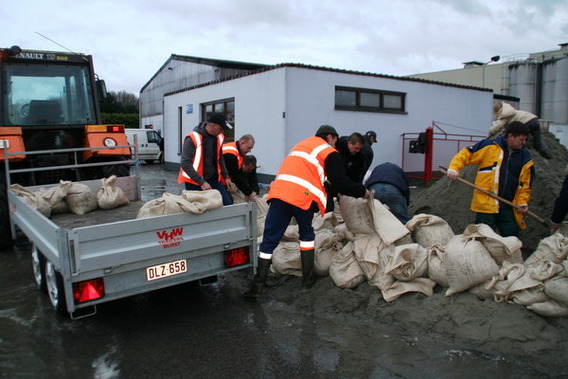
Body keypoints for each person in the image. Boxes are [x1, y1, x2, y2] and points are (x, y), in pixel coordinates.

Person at [250, 125, 370, 294]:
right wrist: (361, 192)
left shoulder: (301, 146)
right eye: (335, 140)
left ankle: (258, 283)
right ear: (330, 137)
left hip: (279, 194)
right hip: (301, 198)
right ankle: (307, 281)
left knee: (269, 239)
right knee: (306, 237)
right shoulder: (328, 151)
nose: (336, 144)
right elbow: (339, 181)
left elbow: (318, 179)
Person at [446, 121, 534, 237]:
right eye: (521, 139)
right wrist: (454, 168)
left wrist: (522, 202)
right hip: (486, 205)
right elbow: (466, 154)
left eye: (525, 140)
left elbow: (525, 185)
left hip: (509, 206)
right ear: (511, 136)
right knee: (483, 239)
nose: (524, 143)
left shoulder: (525, 157)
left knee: (512, 237)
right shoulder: (489, 146)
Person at [178, 112, 234, 205]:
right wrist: (202, 182)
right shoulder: (192, 138)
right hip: (194, 182)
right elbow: (185, 163)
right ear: (213, 126)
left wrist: (226, 176)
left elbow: (220, 158)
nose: (222, 131)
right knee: (199, 210)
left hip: (213, 178)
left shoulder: (219, 137)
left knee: (227, 203)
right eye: (221, 128)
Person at [222, 134, 257, 201]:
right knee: (228, 202)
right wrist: (249, 193)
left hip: (225, 181)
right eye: (249, 147)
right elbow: (236, 176)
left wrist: (251, 190)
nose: (249, 151)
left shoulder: (239, 152)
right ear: (242, 143)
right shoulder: (230, 153)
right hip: (217, 180)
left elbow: (241, 175)